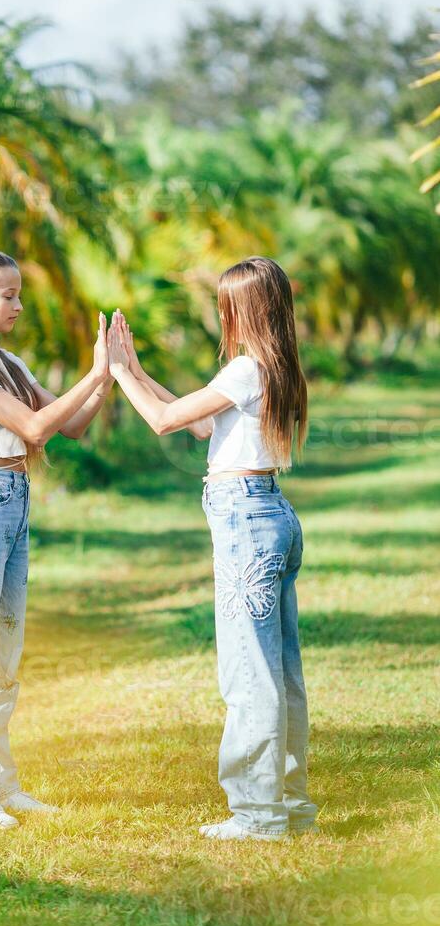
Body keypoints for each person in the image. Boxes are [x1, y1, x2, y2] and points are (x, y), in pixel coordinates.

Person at [106, 256, 318, 842]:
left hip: (247, 522)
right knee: (280, 672)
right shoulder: (273, 369)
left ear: (243, 310)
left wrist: (118, 371)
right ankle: (288, 805)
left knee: (249, 674)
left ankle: (257, 814)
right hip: (269, 513)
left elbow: (165, 422)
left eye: (226, 305)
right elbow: (201, 425)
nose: (219, 314)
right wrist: (141, 371)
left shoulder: (245, 370)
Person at [0, 247, 112, 829]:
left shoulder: (6, 361)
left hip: (12, 505)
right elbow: (34, 427)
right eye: (6, 295)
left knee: (4, 654)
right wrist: (92, 372)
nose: (17, 304)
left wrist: (106, 375)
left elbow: (74, 426)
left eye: (18, 293)